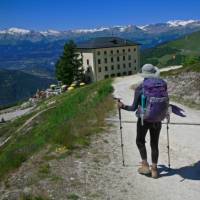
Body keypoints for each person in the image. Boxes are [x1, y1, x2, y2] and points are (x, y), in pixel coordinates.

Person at [118, 64, 166, 178]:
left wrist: (122, 106)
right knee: (154, 144)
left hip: (143, 119)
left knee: (140, 141)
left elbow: (133, 107)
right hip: (158, 119)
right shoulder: (162, 84)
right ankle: (154, 170)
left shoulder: (141, 87)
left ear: (144, 74)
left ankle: (145, 165)